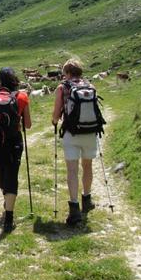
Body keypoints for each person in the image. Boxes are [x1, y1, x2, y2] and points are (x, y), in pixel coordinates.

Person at [0, 67, 32, 233]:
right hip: (13, 141)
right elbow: (28, 125)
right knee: (12, 174)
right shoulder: (22, 97)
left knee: (1, 170)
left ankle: (6, 199)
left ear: (0, 80)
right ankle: (9, 217)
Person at [52, 59, 97, 225]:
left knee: (72, 169)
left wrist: (54, 121)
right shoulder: (91, 87)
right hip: (90, 131)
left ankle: (74, 209)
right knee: (88, 165)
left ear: (67, 73)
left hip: (72, 133)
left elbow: (56, 114)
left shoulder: (62, 87)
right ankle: (87, 198)